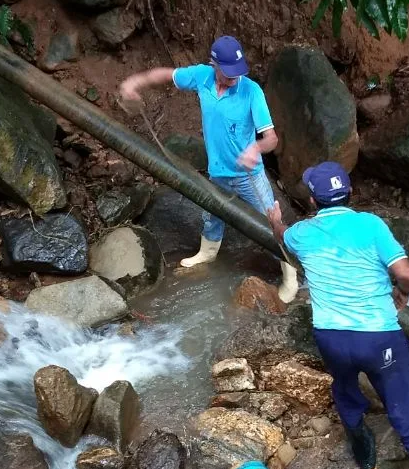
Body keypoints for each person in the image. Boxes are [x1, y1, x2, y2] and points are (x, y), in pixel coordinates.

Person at [283, 162, 409, 469]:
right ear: (350, 193)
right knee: (407, 406)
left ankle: (365, 454)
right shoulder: (370, 225)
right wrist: (403, 293)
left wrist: (275, 221)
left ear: (314, 200)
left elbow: (282, 236)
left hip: (331, 336)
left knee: (345, 387)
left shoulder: (301, 233)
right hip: (378, 338)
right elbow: (407, 273)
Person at [119, 36, 298, 302]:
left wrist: (255, 149)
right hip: (218, 171)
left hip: (250, 175)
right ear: (213, 64)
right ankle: (208, 253)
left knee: (270, 223)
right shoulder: (202, 77)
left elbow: (271, 138)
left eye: (237, 72)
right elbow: (166, 75)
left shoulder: (251, 92)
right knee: (212, 215)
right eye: (227, 73)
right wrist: (136, 82)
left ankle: (291, 275)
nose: (233, 78)